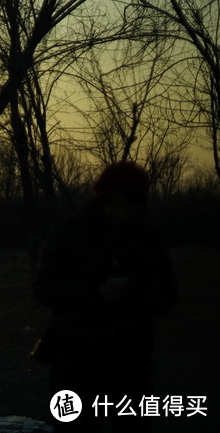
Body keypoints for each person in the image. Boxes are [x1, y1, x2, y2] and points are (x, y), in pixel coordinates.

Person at [33, 160, 177, 431]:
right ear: (103, 198)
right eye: (115, 204)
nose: (121, 213)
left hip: (130, 359)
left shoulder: (150, 241)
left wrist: (133, 295)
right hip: (75, 356)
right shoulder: (68, 233)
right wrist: (94, 293)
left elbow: (168, 298)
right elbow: (43, 289)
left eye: (129, 206)